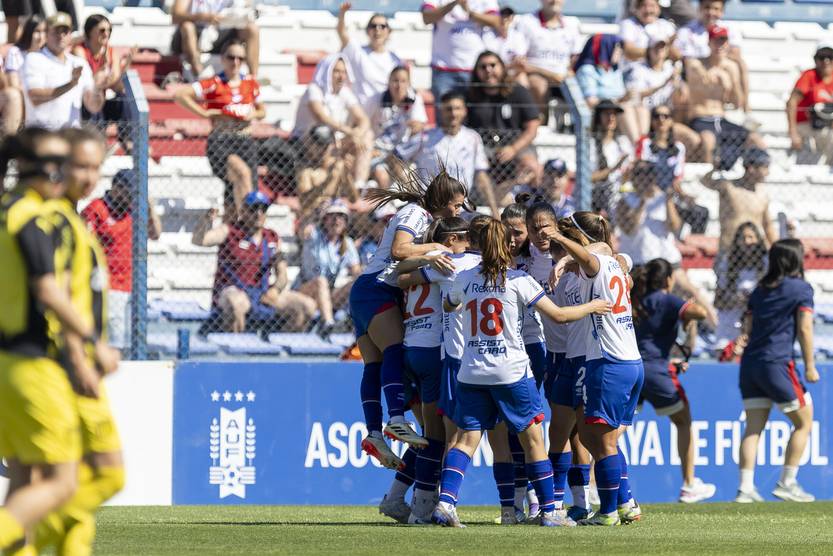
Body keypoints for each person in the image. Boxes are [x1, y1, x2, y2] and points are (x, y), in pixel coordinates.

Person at [433, 218, 611, 528]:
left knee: (465, 440)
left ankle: (446, 503)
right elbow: (558, 315)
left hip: (472, 371)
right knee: (533, 441)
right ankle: (551, 511)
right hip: (511, 371)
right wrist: (592, 306)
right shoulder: (518, 280)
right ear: (506, 246)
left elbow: (449, 306)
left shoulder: (463, 278)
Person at [0, 128, 111, 554]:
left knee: (25, 477)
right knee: (66, 481)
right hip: (31, 362)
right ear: (50, 168)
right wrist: (90, 342)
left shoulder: (9, 210)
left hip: (11, 362)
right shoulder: (32, 218)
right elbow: (48, 290)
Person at [34, 126, 125, 556]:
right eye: (80, 166)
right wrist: (82, 353)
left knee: (80, 484)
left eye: (95, 167)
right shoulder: (54, 221)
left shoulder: (73, 218)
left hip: (71, 365)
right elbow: (55, 297)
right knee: (95, 476)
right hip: (62, 368)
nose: (89, 176)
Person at [350, 170, 470, 469]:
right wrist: (434, 249)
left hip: (364, 291)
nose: (458, 211)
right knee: (393, 350)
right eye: (456, 205)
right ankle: (396, 419)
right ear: (442, 200)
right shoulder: (417, 213)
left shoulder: (419, 215)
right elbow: (399, 250)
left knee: (374, 366)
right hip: (379, 288)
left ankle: (375, 433)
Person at [545, 221, 644, 526]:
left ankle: (609, 511)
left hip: (607, 361)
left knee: (602, 442)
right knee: (592, 436)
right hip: (628, 361)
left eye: (565, 244)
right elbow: (602, 251)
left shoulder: (597, 263)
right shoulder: (611, 264)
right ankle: (623, 505)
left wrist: (562, 247)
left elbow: (595, 252)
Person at [395, 217, 470, 524]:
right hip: (433, 352)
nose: (469, 243)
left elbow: (400, 278)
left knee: (430, 435)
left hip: (410, 347)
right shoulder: (451, 262)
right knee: (437, 438)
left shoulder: (426, 263)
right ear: (451, 239)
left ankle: (402, 499)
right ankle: (424, 508)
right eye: (465, 237)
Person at [734, 240, 819, 503]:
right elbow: (805, 328)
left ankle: (746, 488)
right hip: (778, 363)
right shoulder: (801, 288)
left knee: (754, 427)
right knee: (804, 422)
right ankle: (787, 482)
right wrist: (810, 366)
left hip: (750, 365)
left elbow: (746, 327)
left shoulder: (759, 290)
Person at [546, 211, 617, 523]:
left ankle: (616, 501)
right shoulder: (571, 267)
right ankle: (558, 503)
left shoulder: (603, 259)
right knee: (561, 431)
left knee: (591, 436)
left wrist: (564, 260)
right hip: (566, 357)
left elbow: (607, 251)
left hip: (591, 358)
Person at [630, 258, 716, 503]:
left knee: (616, 428)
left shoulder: (637, 300)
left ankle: (592, 482)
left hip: (632, 369)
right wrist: (688, 313)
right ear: (668, 279)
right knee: (684, 420)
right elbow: (699, 312)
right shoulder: (667, 299)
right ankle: (689, 484)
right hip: (656, 371)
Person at [192, 191, 317, 333]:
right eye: (253, 209)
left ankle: (281, 347)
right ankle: (236, 348)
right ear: (243, 211)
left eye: (263, 209)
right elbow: (200, 240)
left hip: (261, 292)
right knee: (236, 303)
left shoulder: (272, 237)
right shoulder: (229, 231)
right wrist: (205, 221)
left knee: (307, 306)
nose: (258, 213)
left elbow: (282, 274)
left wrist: (275, 290)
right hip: (234, 290)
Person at [175, 39, 266, 220]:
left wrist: (251, 115)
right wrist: (205, 112)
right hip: (222, 139)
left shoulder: (250, 83)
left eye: (240, 58)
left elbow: (262, 111)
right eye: (231, 57)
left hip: (245, 139)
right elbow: (180, 95)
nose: (235, 62)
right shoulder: (214, 83)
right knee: (242, 173)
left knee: (236, 188)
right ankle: (247, 223)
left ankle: (234, 231)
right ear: (223, 59)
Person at [81, 168, 162, 352]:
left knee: (131, 338)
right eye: (129, 192)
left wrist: (150, 208)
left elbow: (155, 234)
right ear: (117, 188)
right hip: (106, 284)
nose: (133, 197)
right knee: (114, 339)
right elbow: (84, 245)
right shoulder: (97, 208)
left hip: (132, 284)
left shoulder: (135, 210)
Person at [702, 148, 778, 318]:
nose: (767, 172)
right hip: (730, 250)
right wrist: (714, 168)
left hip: (755, 251)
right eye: (764, 167)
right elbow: (705, 181)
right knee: (725, 290)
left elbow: (767, 225)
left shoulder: (763, 195)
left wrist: (776, 249)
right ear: (750, 167)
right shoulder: (729, 187)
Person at [396, 91, 493, 214]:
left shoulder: (473, 138)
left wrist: (494, 210)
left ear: (464, 111)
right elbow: (395, 159)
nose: (453, 113)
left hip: (461, 209)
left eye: (457, 108)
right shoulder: (425, 137)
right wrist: (413, 191)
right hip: (430, 209)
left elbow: (481, 176)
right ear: (441, 111)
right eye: (448, 109)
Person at [683, 24, 765, 168]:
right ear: (709, 43)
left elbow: (737, 103)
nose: (719, 45)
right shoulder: (696, 64)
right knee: (708, 141)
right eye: (716, 41)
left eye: (723, 41)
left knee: (756, 139)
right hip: (701, 118)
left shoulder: (731, 67)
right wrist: (715, 74)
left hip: (721, 118)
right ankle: (707, 178)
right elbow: (703, 78)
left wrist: (731, 84)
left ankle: (751, 180)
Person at [292, 53, 373, 188]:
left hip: (335, 141)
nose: (341, 76)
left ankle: (359, 184)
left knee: (367, 135)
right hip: (308, 142)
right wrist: (350, 131)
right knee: (323, 133)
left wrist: (358, 133)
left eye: (344, 72)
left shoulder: (345, 92)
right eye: (336, 71)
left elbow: (363, 118)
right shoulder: (314, 89)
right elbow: (321, 117)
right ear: (327, 71)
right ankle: (330, 180)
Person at [465, 51, 541, 193]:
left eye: (493, 65)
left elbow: (532, 128)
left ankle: (532, 206)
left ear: (502, 67)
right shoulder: (470, 95)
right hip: (483, 146)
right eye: (483, 67)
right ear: (477, 72)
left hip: (516, 144)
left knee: (532, 166)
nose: (488, 70)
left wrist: (513, 149)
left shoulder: (519, 91)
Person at [22, 12, 106, 130]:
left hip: (71, 140)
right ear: (46, 34)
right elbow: (35, 97)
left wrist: (98, 88)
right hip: (41, 138)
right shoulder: (33, 58)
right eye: (56, 31)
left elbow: (93, 107)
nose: (61, 35)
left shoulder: (79, 63)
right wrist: (71, 84)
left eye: (65, 32)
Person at [636, 105, 708, 233]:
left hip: (669, 196)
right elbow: (639, 170)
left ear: (671, 121)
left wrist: (685, 196)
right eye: (657, 116)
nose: (661, 120)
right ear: (652, 121)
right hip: (649, 195)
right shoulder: (645, 143)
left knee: (700, 212)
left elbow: (676, 180)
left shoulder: (678, 148)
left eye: (666, 116)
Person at [295, 200, 362, 336]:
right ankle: (328, 324)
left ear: (346, 221)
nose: (336, 220)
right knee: (321, 281)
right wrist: (315, 213)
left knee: (360, 281)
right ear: (324, 219)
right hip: (305, 289)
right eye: (332, 216)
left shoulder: (347, 243)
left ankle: (359, 323)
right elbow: (302, 228)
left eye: (341, 216)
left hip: (329, 295)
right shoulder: (314, 236)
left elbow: (356, 271)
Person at [421, 0, 500, 114]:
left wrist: (469, 12)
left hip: (474, 70)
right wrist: (453, 4)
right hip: (443, 70)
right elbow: (427, 17)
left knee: (475, 116)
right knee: (444, 117)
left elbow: (495, 21)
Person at [72, 14, 135, 149]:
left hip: (103, 99)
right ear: (90, 32)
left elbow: (116, 82)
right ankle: (97, 144)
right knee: (94, 97)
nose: (106, 34)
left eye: (109, 30)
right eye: (102, 30)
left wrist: (124, 67)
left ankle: (129, 142)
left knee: (123, 100)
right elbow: (88, 83)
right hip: (85, 102)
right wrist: (103, 72)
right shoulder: (80, 51)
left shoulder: (112, 52)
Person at [674, 0, 748, 112]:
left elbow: (735, 56)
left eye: (716, 9)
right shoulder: (686, 30)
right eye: (707, 7)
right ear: (699, 8)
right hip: (695, 75)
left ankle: (745, 105)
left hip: (720, 70)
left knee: (740, 64)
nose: (711, 12)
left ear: (722, 11)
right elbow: (685, 60)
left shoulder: (730, 29)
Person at [512, 0, 583, 117]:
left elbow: (576, 58)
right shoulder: (527, 22)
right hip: (536, 76)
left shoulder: (572, 24)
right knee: (538, 84)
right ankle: (539, 125)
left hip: (565, 78)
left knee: (580, 85)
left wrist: (568, 73)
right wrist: (552, 75)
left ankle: (579, 127)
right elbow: (520, 62)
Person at [367, 66, 428, 189]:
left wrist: (414, 125)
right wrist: (369, 148)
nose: (399, 85)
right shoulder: (377, 99)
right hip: (379, 150)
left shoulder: (414, 100)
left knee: (421, 138)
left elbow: (420, 125)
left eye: (403, 81)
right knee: (382, 175)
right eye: (395, 81)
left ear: (409, 83)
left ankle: (414, 198)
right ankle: (387, 206)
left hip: (402, 152)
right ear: (388, 82)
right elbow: (364, 122)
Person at [575, 35, 642, 142]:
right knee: (626, 108)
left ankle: (643, 142)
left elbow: (620, 95)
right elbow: (590, 101)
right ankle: (638, 145)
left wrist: (627, 97)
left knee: (638, 105)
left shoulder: (614, 70)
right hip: (599, 110)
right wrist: (619, 101)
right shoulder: (587, 70)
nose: (620, 51)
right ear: (605, 47)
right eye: (617, 47)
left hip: (616, 107)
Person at [336, 3, 402, 111]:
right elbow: (342, 32)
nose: (377, 30)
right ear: (367, 31)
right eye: (373, 26)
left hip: (384, 116)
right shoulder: (358, 52)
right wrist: (342, 13)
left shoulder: (395, 60)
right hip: (361, 115)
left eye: (382, 26)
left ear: (389, 32)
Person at [171, 0, 260, 80]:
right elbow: (176, 16)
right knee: (187, 26)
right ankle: (198, 76)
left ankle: (253, 80)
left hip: (220, 33)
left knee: (252, 29)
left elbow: (247, 8)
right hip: (192, 34)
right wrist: (202, 17)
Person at [616, 161, 682, 267]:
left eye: (649, 173)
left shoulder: (663, 199)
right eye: (639, 173)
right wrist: (643, 200)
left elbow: (674, 227)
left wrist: (668, 200)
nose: (644, 178)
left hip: (665, 259)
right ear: (632, 178)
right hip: (637, 261)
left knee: (684, 282)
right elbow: (629, 230)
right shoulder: (625, 200)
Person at [713, 222, 767, 353]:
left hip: (756, 322)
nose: (747, 242)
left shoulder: (766, 263)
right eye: (743, 238)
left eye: (751, 237)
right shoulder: (728, 262)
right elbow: (718, 301)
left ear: (758, 239)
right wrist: (734, 300)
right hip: (731, 320)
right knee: (725, 354)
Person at [294, 125, 358, 225]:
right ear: (310, 144)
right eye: (318, 144)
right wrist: (327, 181)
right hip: (313, 219)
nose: (322, 149)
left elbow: (353, 199)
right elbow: (305, 204)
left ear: (332, 145)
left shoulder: (338, 166)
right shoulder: (306, 171)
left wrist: (346, 174)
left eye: (325, 145)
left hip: (334, 218)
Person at [624, 36, 683, 135]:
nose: (659, 50)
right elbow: (636, 94)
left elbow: (678, 99)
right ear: (649, 50)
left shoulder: (671, 68)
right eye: (656, 47)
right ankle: (642, 144)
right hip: (647, 113)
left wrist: (677, 85)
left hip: (666, 115)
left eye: (662, 47)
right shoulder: (638, 69)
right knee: (640, 109)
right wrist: (663, 84)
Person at [786, 41, 833, 165]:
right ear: (816, 59)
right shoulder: (809, 76)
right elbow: (791, 102)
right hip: (806, 125)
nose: (826, 61)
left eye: (830, 56)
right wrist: (793, 132)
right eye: (822, 57)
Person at [589, 99, 633, 217]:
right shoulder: (590, 144)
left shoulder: (623, 142)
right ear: (598, 117)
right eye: (607, 114)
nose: (611, 118)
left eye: (614, 114)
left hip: (619, 193)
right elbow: (587, 178)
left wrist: (629, 172)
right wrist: (613, 169)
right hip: (597, 196)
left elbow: (625, 177)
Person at [618, 0, 678, 70]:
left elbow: (677, 55)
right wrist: (655, 51)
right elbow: (628, 51)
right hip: (635, 72)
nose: (648, 10)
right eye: (644, 6)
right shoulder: (628, 24)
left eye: (652, 6)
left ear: (659, 8)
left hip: (663, 73)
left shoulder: (666, 25)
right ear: (636, 8)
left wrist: (668, 46)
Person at [4, 15, 47, 90]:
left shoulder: (47, 53)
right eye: (37, 31)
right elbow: (13, 83)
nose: (41, 36)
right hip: (23, 94)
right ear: (28, 32)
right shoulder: (15, 52)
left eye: (44, 31)